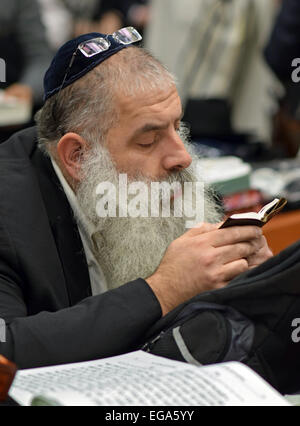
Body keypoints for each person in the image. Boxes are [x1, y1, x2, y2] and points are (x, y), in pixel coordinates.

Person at [0, 28, 272, 369]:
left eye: (177, 126)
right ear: (78, 156)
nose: (182, 157)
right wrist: (164, 289)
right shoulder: (8, 213)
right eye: (148, 140)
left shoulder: (154, 183)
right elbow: (6, 351)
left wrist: (256, 284)